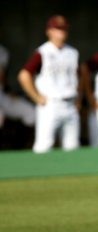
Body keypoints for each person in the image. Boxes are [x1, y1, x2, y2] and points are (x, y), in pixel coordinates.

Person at [17, 15, 81, 153]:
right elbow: (23, 75)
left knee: (73, 147)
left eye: (63, 29)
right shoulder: (43, 52)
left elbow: (76, 77)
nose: (61, 32)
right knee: (43, 146)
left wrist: (78, 98)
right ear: (49, 31)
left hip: (70, 104)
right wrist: (36, 97)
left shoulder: (72, 52)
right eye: (58, 29)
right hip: (50, 104)